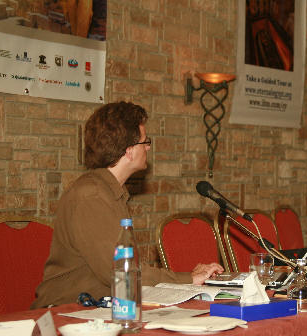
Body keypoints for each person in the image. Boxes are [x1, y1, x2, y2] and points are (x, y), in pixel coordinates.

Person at [32, 101, 223, 308]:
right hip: (66, 312)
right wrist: (188, 279)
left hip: (98, 309)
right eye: (145, 141)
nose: (148, 147)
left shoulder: (109, 191)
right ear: (129, 150)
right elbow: (121, 273)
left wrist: (186, 279)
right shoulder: (91, 196)